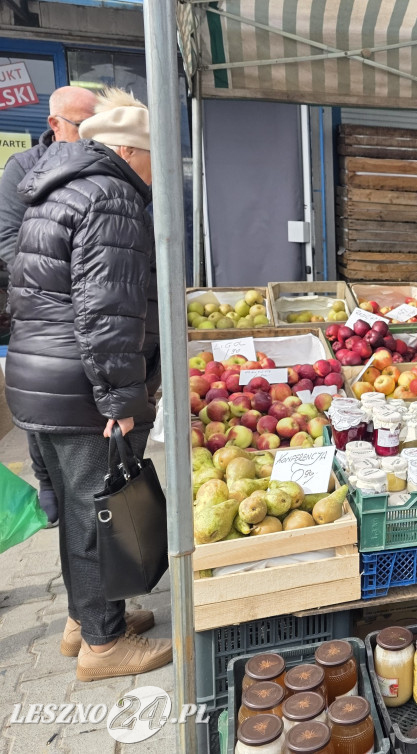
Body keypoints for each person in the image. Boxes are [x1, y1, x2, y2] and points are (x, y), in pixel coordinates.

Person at [6, 88, 168, 681]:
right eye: (154, 157)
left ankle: (86, 621)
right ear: (130, 151)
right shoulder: (112, 198)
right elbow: (108, 311)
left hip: (38, 380)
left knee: (80, 510)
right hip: (79, 389)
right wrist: (122, 399)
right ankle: (105, 647)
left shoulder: (56, 190)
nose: (157, 173)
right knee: (102, 509)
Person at [0, 86, 98, 527]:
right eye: (83, 126)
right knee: (41, 402)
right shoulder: (21, 170)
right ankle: (45, 478)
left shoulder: (96, 166)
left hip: (84, 309)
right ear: (55, 124)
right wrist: (55, 284)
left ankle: (73, 487)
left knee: (72, 402)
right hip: (39, 308)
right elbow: (6, 240)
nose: (91, 135)